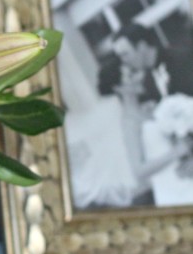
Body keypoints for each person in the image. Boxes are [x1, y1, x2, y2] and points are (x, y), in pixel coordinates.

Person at [65, 54, 190, 210]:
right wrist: (176, 152)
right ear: (119, 88)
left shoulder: (148, 108)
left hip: (183, 174)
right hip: (170, 187)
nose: (139, 76)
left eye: (134, 71)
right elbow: (139, 171)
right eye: (131, 75)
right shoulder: (129, 122)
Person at [112, 22, 193, 102]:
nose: (123, 61)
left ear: (141, 46)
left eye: (125, 54)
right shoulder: (148, 81)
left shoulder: (181, 60)